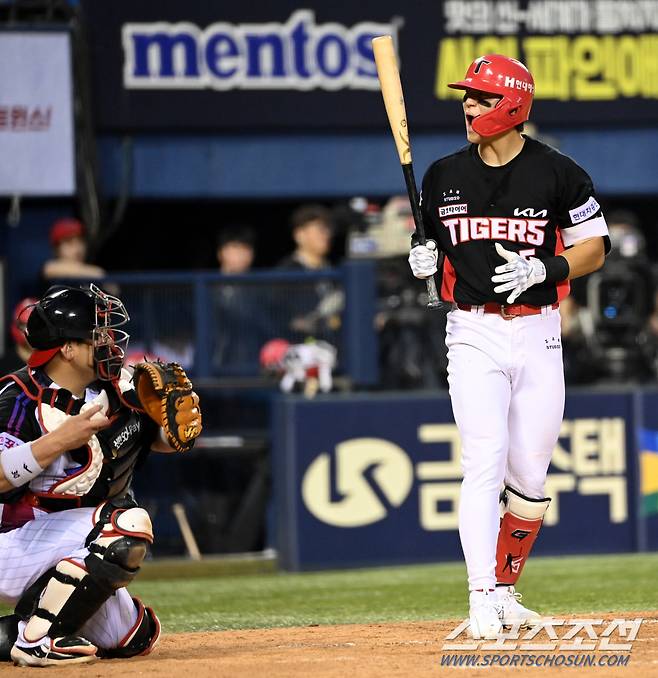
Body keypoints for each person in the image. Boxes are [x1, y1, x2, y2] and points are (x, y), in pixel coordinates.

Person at [408, 55, 609, 638]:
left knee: (530, 477)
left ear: (514, 104)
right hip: (472, 330)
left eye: (481, 97)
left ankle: (504, 587)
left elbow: (595, 246)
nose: (468, 106)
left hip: (540, 330)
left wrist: (545, 270)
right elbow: (431, 252)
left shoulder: (558, 171)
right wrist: (420, 259)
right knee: (483, 462)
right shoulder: (442, 175)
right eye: (466, 97)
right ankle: (478, 596)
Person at [0, 283, 202, 666]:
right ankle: (36, 641)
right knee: (126, 522)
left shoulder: (118, 387)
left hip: (71, 541)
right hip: (13, 540)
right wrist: (59, 440)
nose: (110, 342)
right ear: (67, 348)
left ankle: (17, 632)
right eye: (98, 335)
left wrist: (173, 430)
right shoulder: (19, 398)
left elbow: (152, 437)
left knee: (134, 637)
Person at [277, 205, 343, 338]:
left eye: (328, 229)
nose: (327, 235)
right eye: (320, 230)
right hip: (302, 348)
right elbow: (281, 319)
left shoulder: (336, 272)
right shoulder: (285, 273)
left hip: (336, 348)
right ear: (300, 235)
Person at [41, 218, 106, 284]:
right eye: (69, 242)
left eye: (81, 241)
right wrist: (98, 274)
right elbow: (50, 269)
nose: (77, 249)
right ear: (56, 249)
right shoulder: (50, 268)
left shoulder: (90, 269)